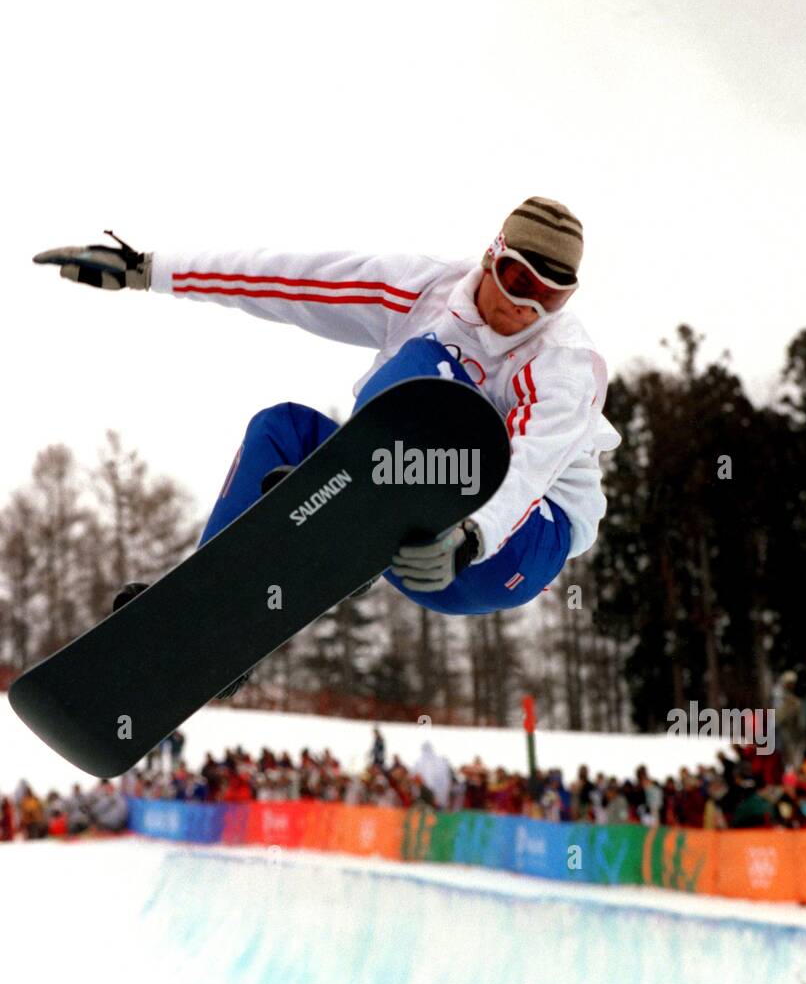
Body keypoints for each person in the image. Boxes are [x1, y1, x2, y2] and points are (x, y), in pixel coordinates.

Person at [32, 201, 620, 685]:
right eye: (518, 280)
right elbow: (292, 279)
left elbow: (530, 469)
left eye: (549, 297)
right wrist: (150, 270)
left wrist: (472, 536)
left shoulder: (565, 363)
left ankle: (362, 514)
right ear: (492, 257)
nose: (524, 308)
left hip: (518, 542)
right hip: (415, 513)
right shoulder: (425, 290)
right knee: (282, 430)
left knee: (445, 392)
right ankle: (215, 622)